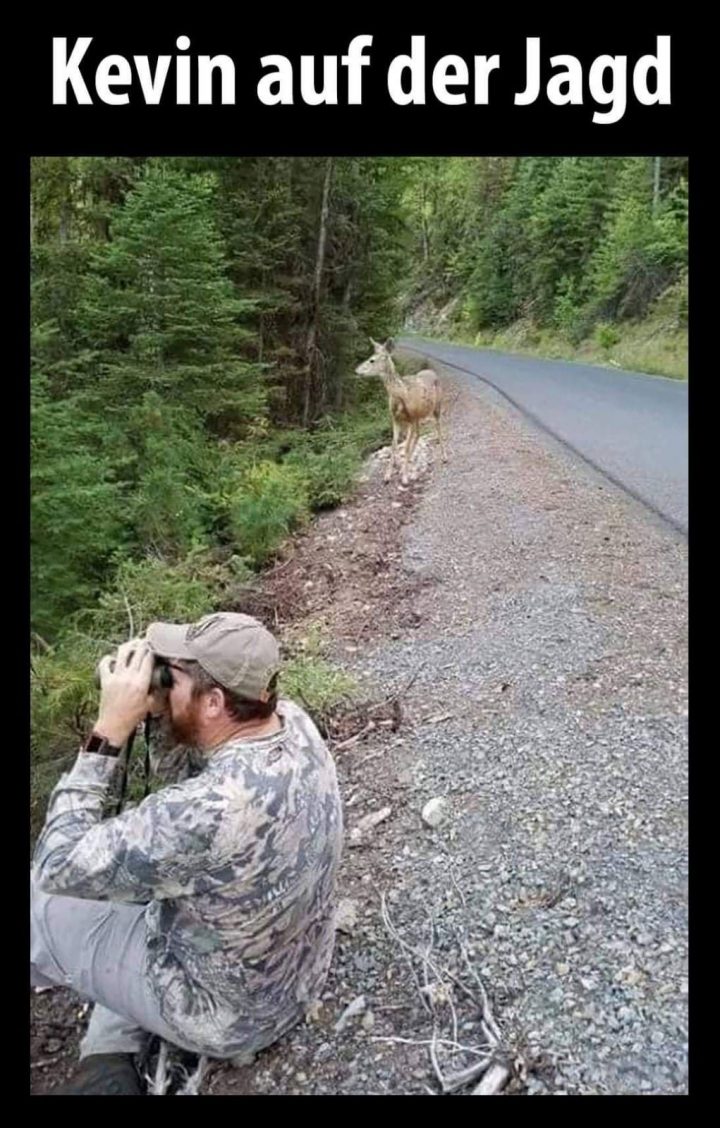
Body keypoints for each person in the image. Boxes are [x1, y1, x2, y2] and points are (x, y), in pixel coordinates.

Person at [30, 612, 344, 1095]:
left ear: (215, 702)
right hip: (295, 977)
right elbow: (186, 795)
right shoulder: (294, 725)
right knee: (129, 882)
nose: (158, 679)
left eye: (172, 675)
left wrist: (107, 731)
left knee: (35, 897)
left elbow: (57, 865)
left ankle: (112, 1039)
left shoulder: (202, 814)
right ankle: (110, 1044)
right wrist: (169, 709)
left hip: (227, 1016)